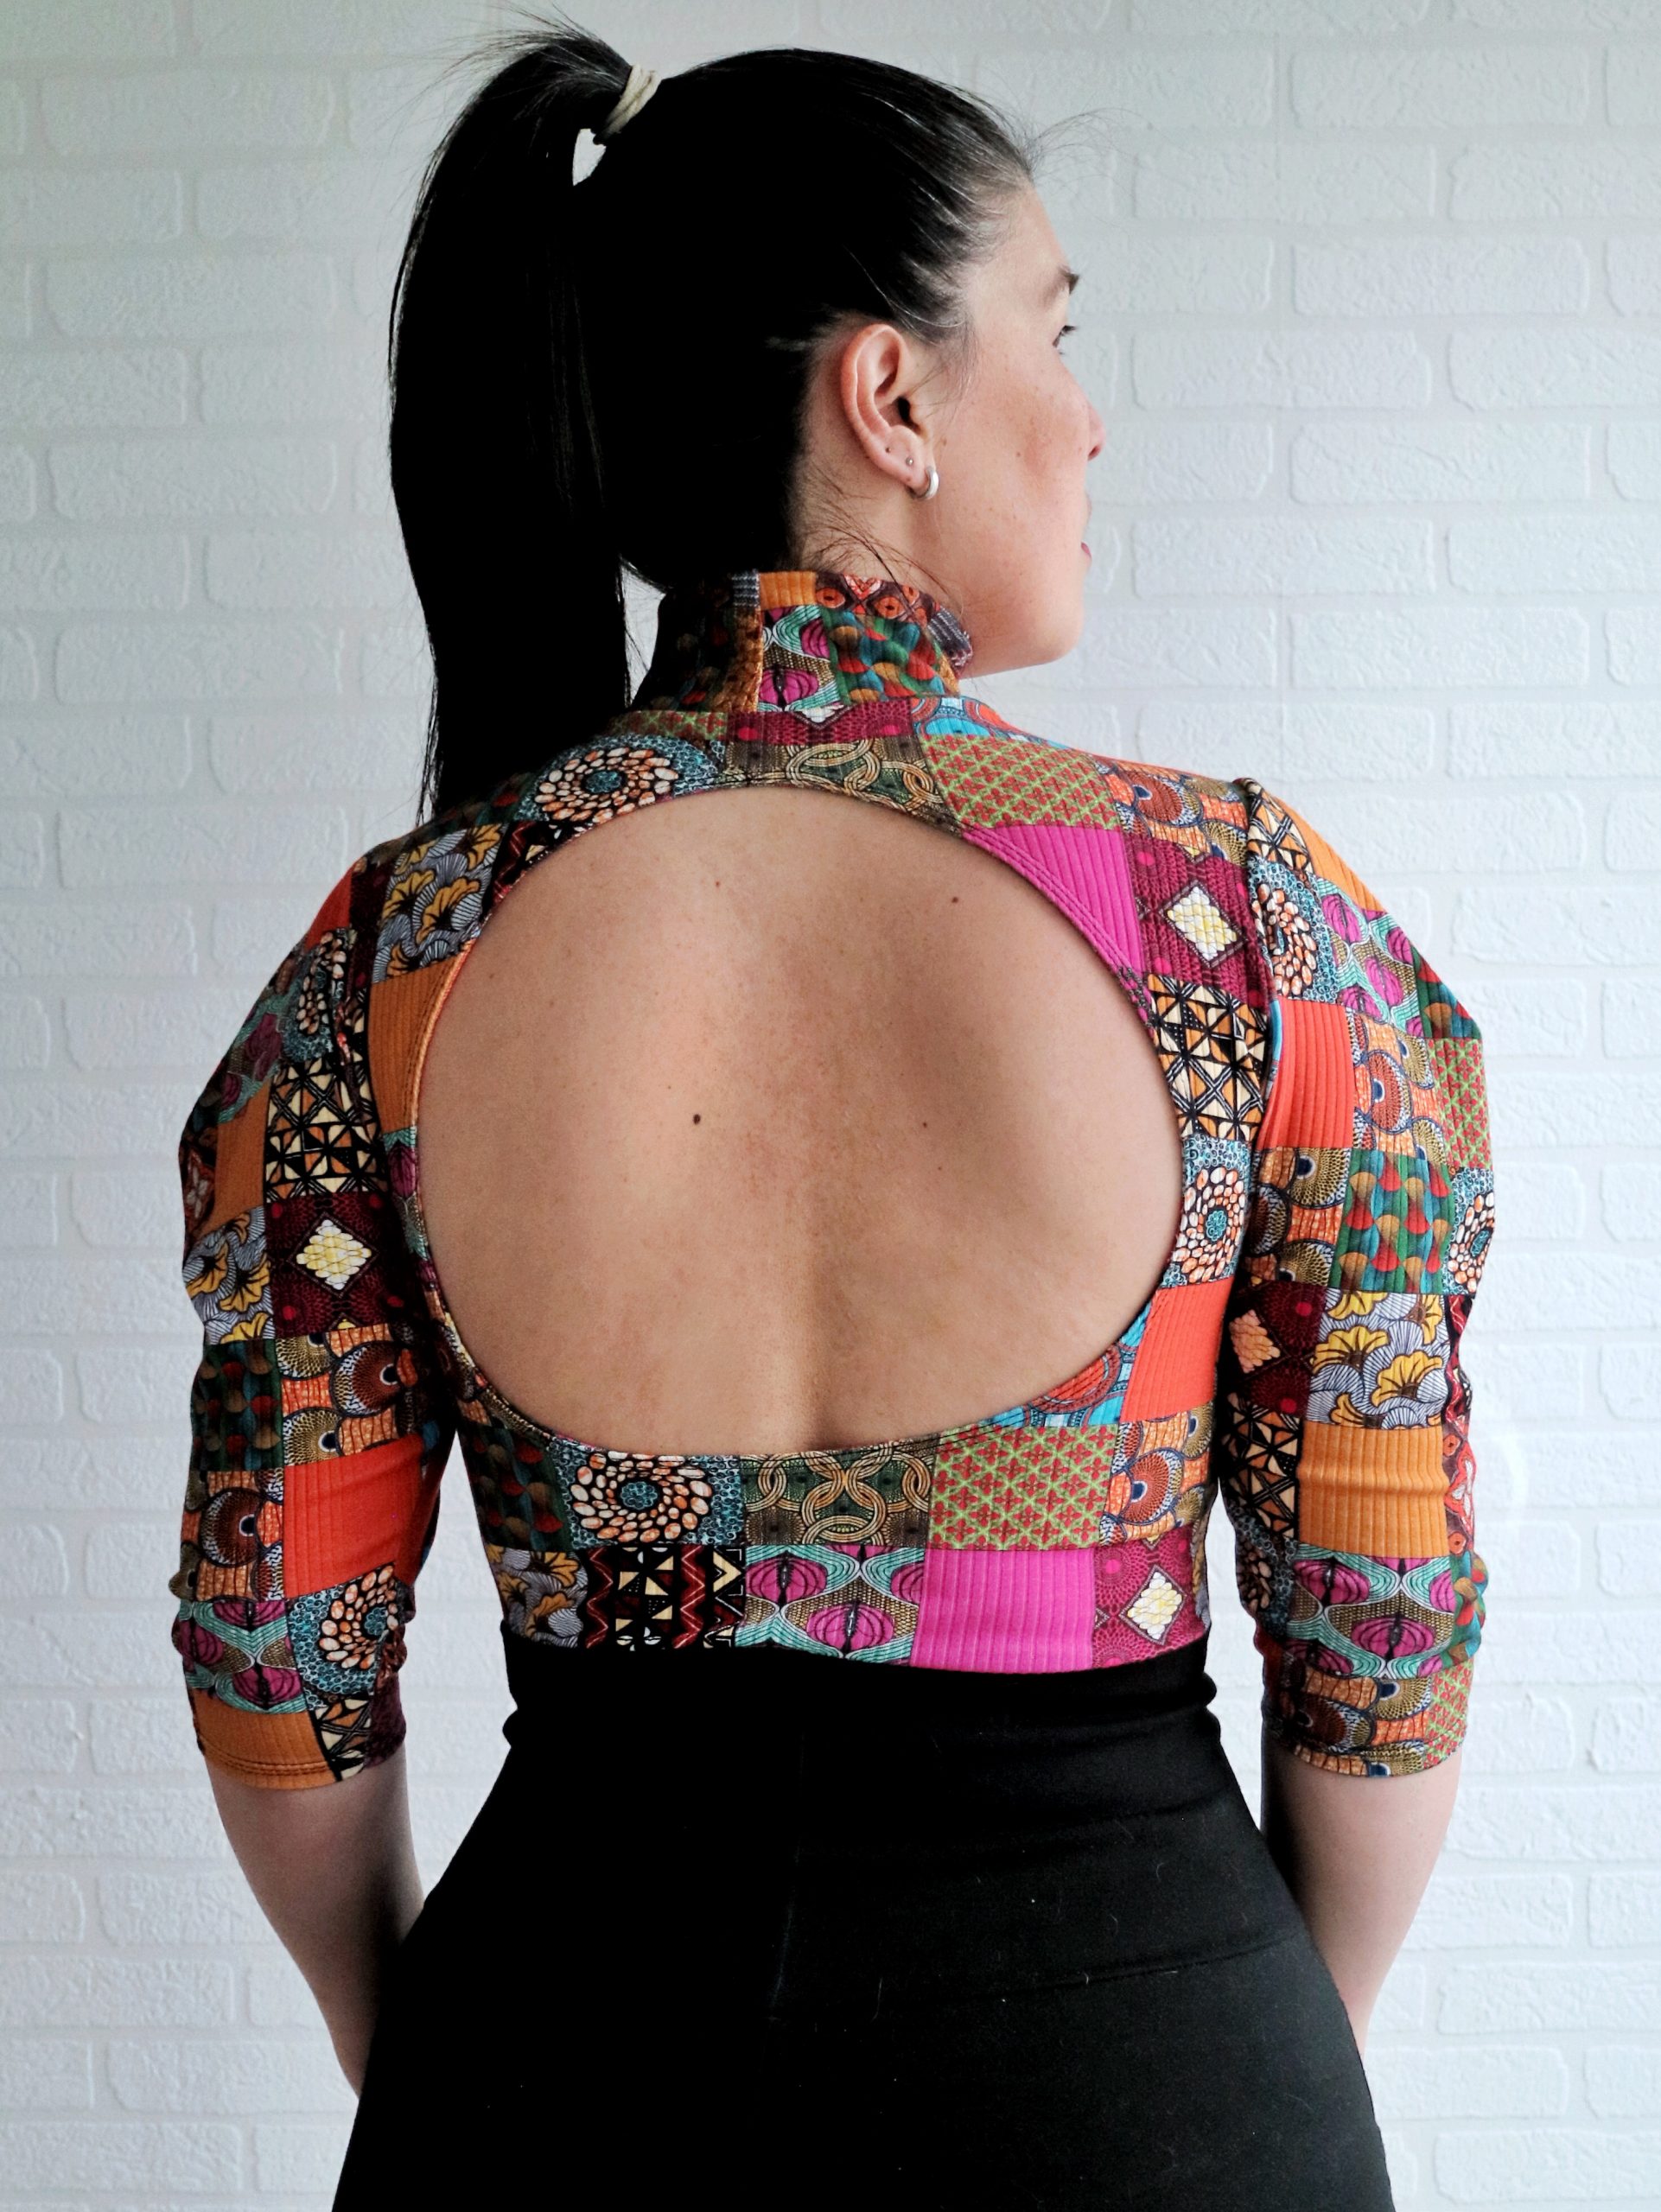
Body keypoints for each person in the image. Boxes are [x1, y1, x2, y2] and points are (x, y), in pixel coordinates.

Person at [166, 20, 1498, 2209]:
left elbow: (274, 1646)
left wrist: (426, 2047)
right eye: (1054, 332)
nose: (1087, 417)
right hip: (1149, 2059)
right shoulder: (1245, 925)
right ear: (888, 395)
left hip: (556, 2057)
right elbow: (1376, 1620)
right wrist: (1256, 2038)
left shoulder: (395, 958)